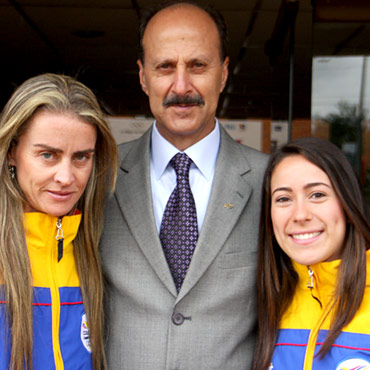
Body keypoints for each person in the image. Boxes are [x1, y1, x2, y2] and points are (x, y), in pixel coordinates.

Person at [100, 1, 268, 369]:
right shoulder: (98, 178)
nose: (181, 86)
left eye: (197, 65)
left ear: (223, 74)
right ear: (143, 77)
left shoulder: (272, 183)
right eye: (165, 67)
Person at [0, 73, 117, 370]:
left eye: (81, 157)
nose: (66, 178)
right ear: (13, 151)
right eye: (48, 155)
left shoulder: (98, 244)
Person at [252, 137, 370, 370]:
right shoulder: (266, 300)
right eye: (283, 199)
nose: (300, 215)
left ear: (346, 203)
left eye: (317, 195)